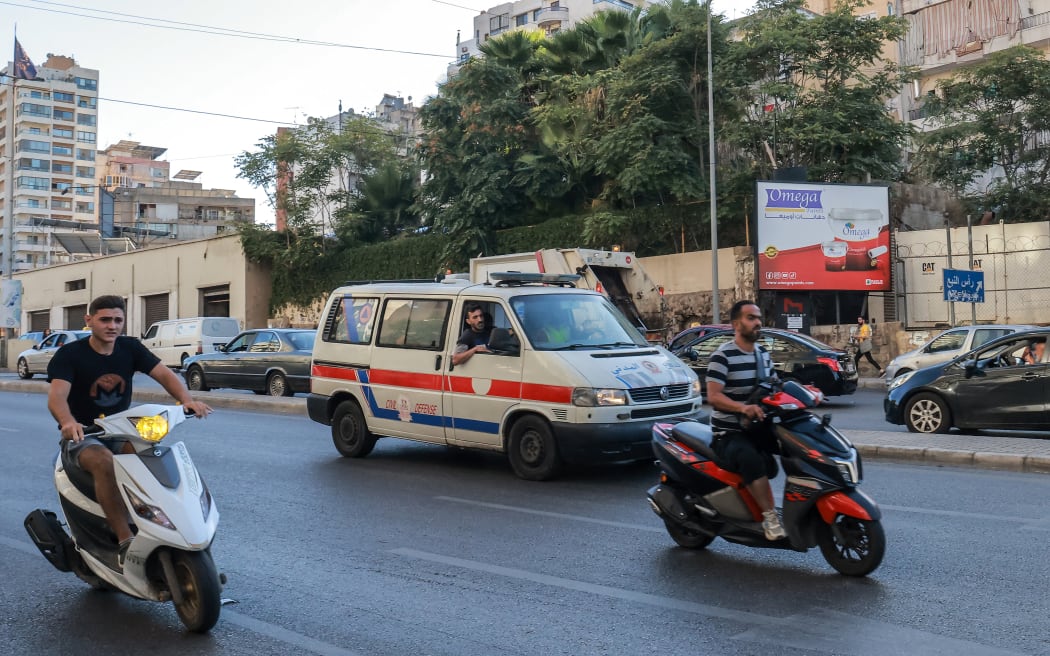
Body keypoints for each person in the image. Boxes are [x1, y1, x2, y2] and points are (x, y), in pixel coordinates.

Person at [47, 295, 212, 566]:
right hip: (84, 436)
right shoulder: (70, 355)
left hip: (122, 430)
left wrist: (187, 401)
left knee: (153, 459)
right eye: (105, 320)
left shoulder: (130, 348)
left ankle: (166, 525)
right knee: (104, 462)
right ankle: (125, 540)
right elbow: (57, 397)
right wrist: (68, 422)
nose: (112, 326)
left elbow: (164, 375)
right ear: (89, 321)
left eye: (117, 320)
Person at [706, 300, 786, 541]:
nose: (758, 323)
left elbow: (774, 387)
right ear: (736, 324)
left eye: (759, 317)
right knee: (751, 459)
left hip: (757, 427)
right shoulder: (722, 356)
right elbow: (714, 396)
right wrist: (743, 408)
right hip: (728, 432)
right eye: (751, 318)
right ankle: (769, 517)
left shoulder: (763, 355)